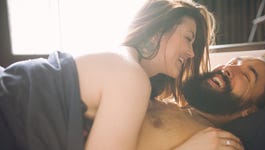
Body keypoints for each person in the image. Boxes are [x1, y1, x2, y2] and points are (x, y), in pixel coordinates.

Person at [0, 0, 243, 150]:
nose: (191, 53)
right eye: (188, 39)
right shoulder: (130, 77)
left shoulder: (128, 69)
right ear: (159, 30)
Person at [136, 56, 265, 150]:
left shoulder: (219, 144)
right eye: (233, 62)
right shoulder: (165, 100)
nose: (227, 68)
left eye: (246, 76)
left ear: (250, 110)